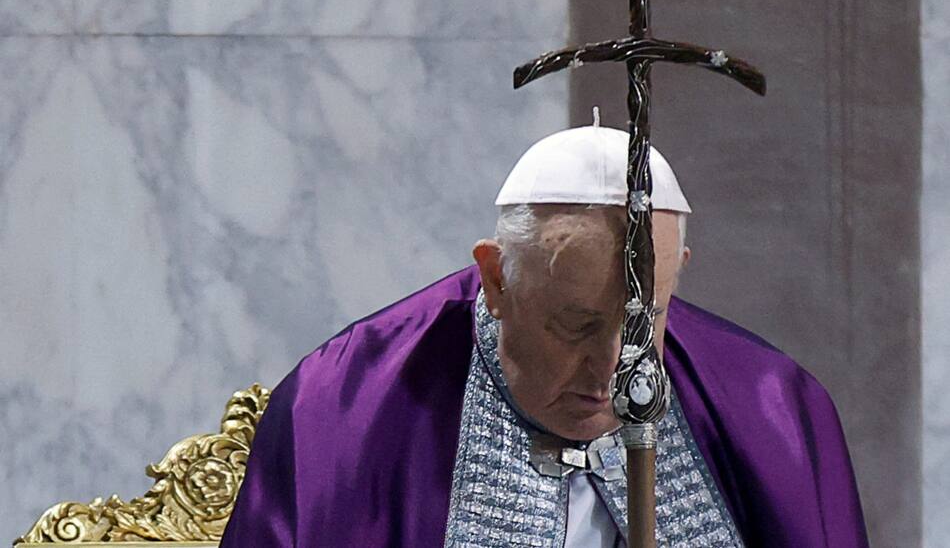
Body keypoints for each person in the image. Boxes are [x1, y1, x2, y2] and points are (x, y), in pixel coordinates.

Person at [220, 126, 869, 547]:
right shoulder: (341, 409)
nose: (613, 372)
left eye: (645, 324)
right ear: (497, 278)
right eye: (576, 326)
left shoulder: (774, 409)